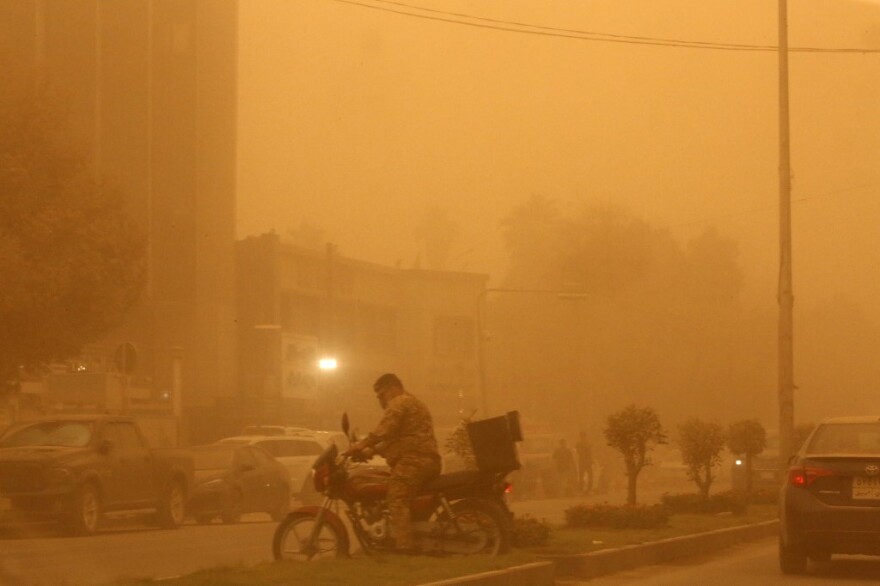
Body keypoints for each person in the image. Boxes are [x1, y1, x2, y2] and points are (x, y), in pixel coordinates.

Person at [347, 373, 441, 554]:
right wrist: (369, 452)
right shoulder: (413, 402)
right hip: (423, 459)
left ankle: (404, 549)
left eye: (381, 395)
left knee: (396, 498)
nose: (380, 400)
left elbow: (384, 430)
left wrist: (360, 445)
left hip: (415, 461)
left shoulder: (399, 402)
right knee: (399, 495)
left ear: (392, 388)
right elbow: (396, 438)